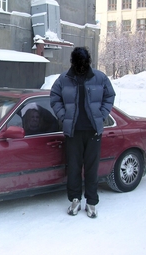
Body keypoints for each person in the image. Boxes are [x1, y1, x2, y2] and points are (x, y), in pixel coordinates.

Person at [50, 47, 115, 218]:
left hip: (93, 131)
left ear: (88, 61)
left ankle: (91, 202)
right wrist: (63, 115)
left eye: (84, 62)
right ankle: (75, 200)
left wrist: (101, 114)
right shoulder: (64, 79)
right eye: (78, 62)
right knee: (73, 167)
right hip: (73, 132)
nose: (81, 65)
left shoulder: (99, 78)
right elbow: (54, 97)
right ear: (73, 62)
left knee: (92, 168)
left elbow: (110, 96)